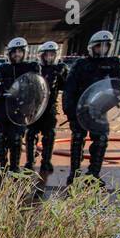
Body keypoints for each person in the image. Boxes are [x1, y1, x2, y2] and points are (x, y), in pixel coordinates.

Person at [61, 30, 120, 183]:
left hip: (99, 110)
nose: (102, 49)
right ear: (92, 47)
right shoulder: (81, 64)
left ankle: (94, 174)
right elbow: (70, 88)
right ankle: (74, 173)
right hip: (79, 110)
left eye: (105, 46)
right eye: (98, 46)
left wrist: (109, 103)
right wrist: (69, 111)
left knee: (101, 140)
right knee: (77, 140)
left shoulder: (113, 64)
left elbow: (116, 87)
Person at [0, 37, 39, 180]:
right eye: (14, 52)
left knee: (16, 140)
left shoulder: (31, 67)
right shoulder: (3, 69)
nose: (17, 54)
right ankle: (2, 166)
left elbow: (36, 90)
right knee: (0, 138)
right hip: (3, 111)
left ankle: (15, 167)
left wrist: (31, 110)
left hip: (20, 112)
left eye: (19, 51)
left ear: (24, 52)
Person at [26, 41, 67, 178]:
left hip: (50, 108)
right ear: (41, 56)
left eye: (52, 55)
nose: (49, 57)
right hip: (34, 107)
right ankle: (30, 161)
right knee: (31, 134)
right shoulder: (35, 69)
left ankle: (46, 161)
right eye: (46, 55)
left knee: (49, 136)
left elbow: (66, 86)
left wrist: (61, 74)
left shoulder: (59, 69)